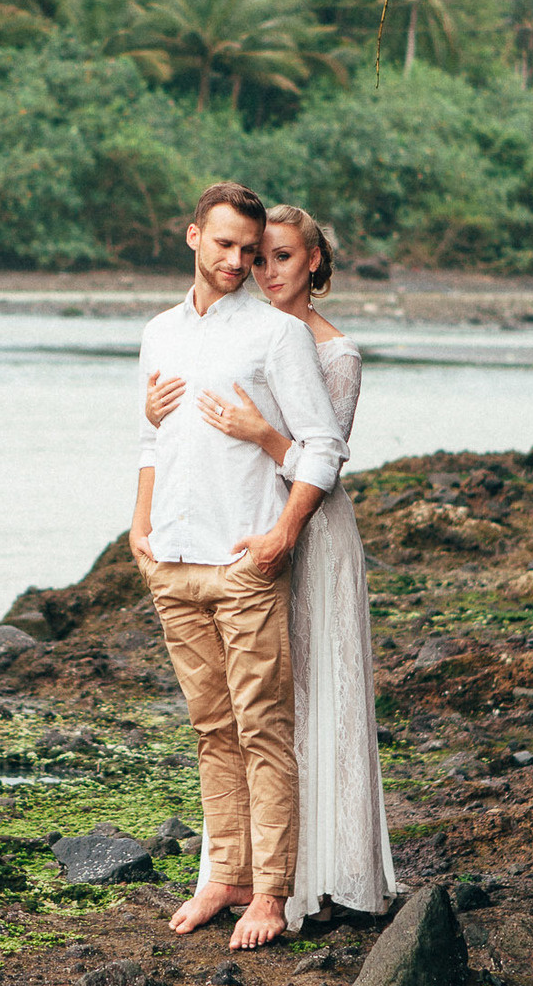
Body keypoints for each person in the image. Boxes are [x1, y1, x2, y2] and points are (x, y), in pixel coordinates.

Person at [146, 204, 401, 933]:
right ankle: (242, 872)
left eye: (277, 256)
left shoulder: (328, 350)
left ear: (314, 261)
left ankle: (321, 873)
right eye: (259, 257)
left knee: (306, 701)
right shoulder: (219, 331)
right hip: (245, 532)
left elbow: (323, 457)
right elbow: (178, 434)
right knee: (243, 715)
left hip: (309, 530)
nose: (261, 269)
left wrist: (262, 438)